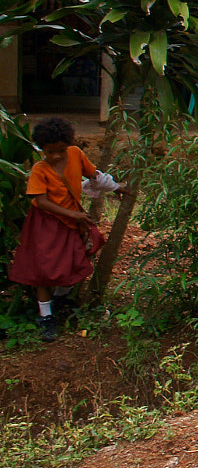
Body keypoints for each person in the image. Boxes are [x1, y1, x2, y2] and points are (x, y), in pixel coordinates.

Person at [9, 117, 124, 342]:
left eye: (61, 150)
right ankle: (46, 317)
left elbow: (93, 175)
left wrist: (117, 187)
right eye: (50, 152)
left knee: (72, 262)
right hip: (46, 224)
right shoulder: (39, 169)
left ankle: (62, 300)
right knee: (42, 270)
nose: (56, 156)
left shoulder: (76, 155)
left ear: (69, 145)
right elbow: (41, 201)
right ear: (42, 149)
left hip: (69, 224)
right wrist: (74, 214)